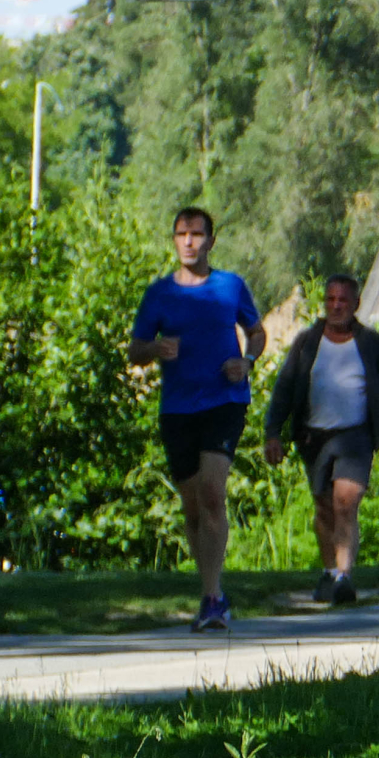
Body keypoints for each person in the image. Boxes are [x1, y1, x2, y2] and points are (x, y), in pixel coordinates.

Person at [128, 207, 266, 631]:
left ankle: (212, 597)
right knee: (191, 507)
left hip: (224, 401)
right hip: (178, 408)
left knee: (212, 492)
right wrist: (155, 350)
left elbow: (257, 332)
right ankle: (209, 588)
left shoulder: (230, 286)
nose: (188, 242)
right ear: (174, 240)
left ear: (211, 241)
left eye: (197, 235)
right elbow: (135, 351)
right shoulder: (159, 294)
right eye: (181, 235)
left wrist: (246, 361)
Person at [263, 273, 379, 607]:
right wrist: (273, 433)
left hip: (356, 435)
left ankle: (344, 576)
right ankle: (330, 573)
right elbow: (284, 389)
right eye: (331, 299)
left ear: (356, 304)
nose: (336, 306)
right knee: (324, 508)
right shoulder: (307, 342)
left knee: (346, 501)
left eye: (343, 300)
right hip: (313, 437)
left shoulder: (373, 344)